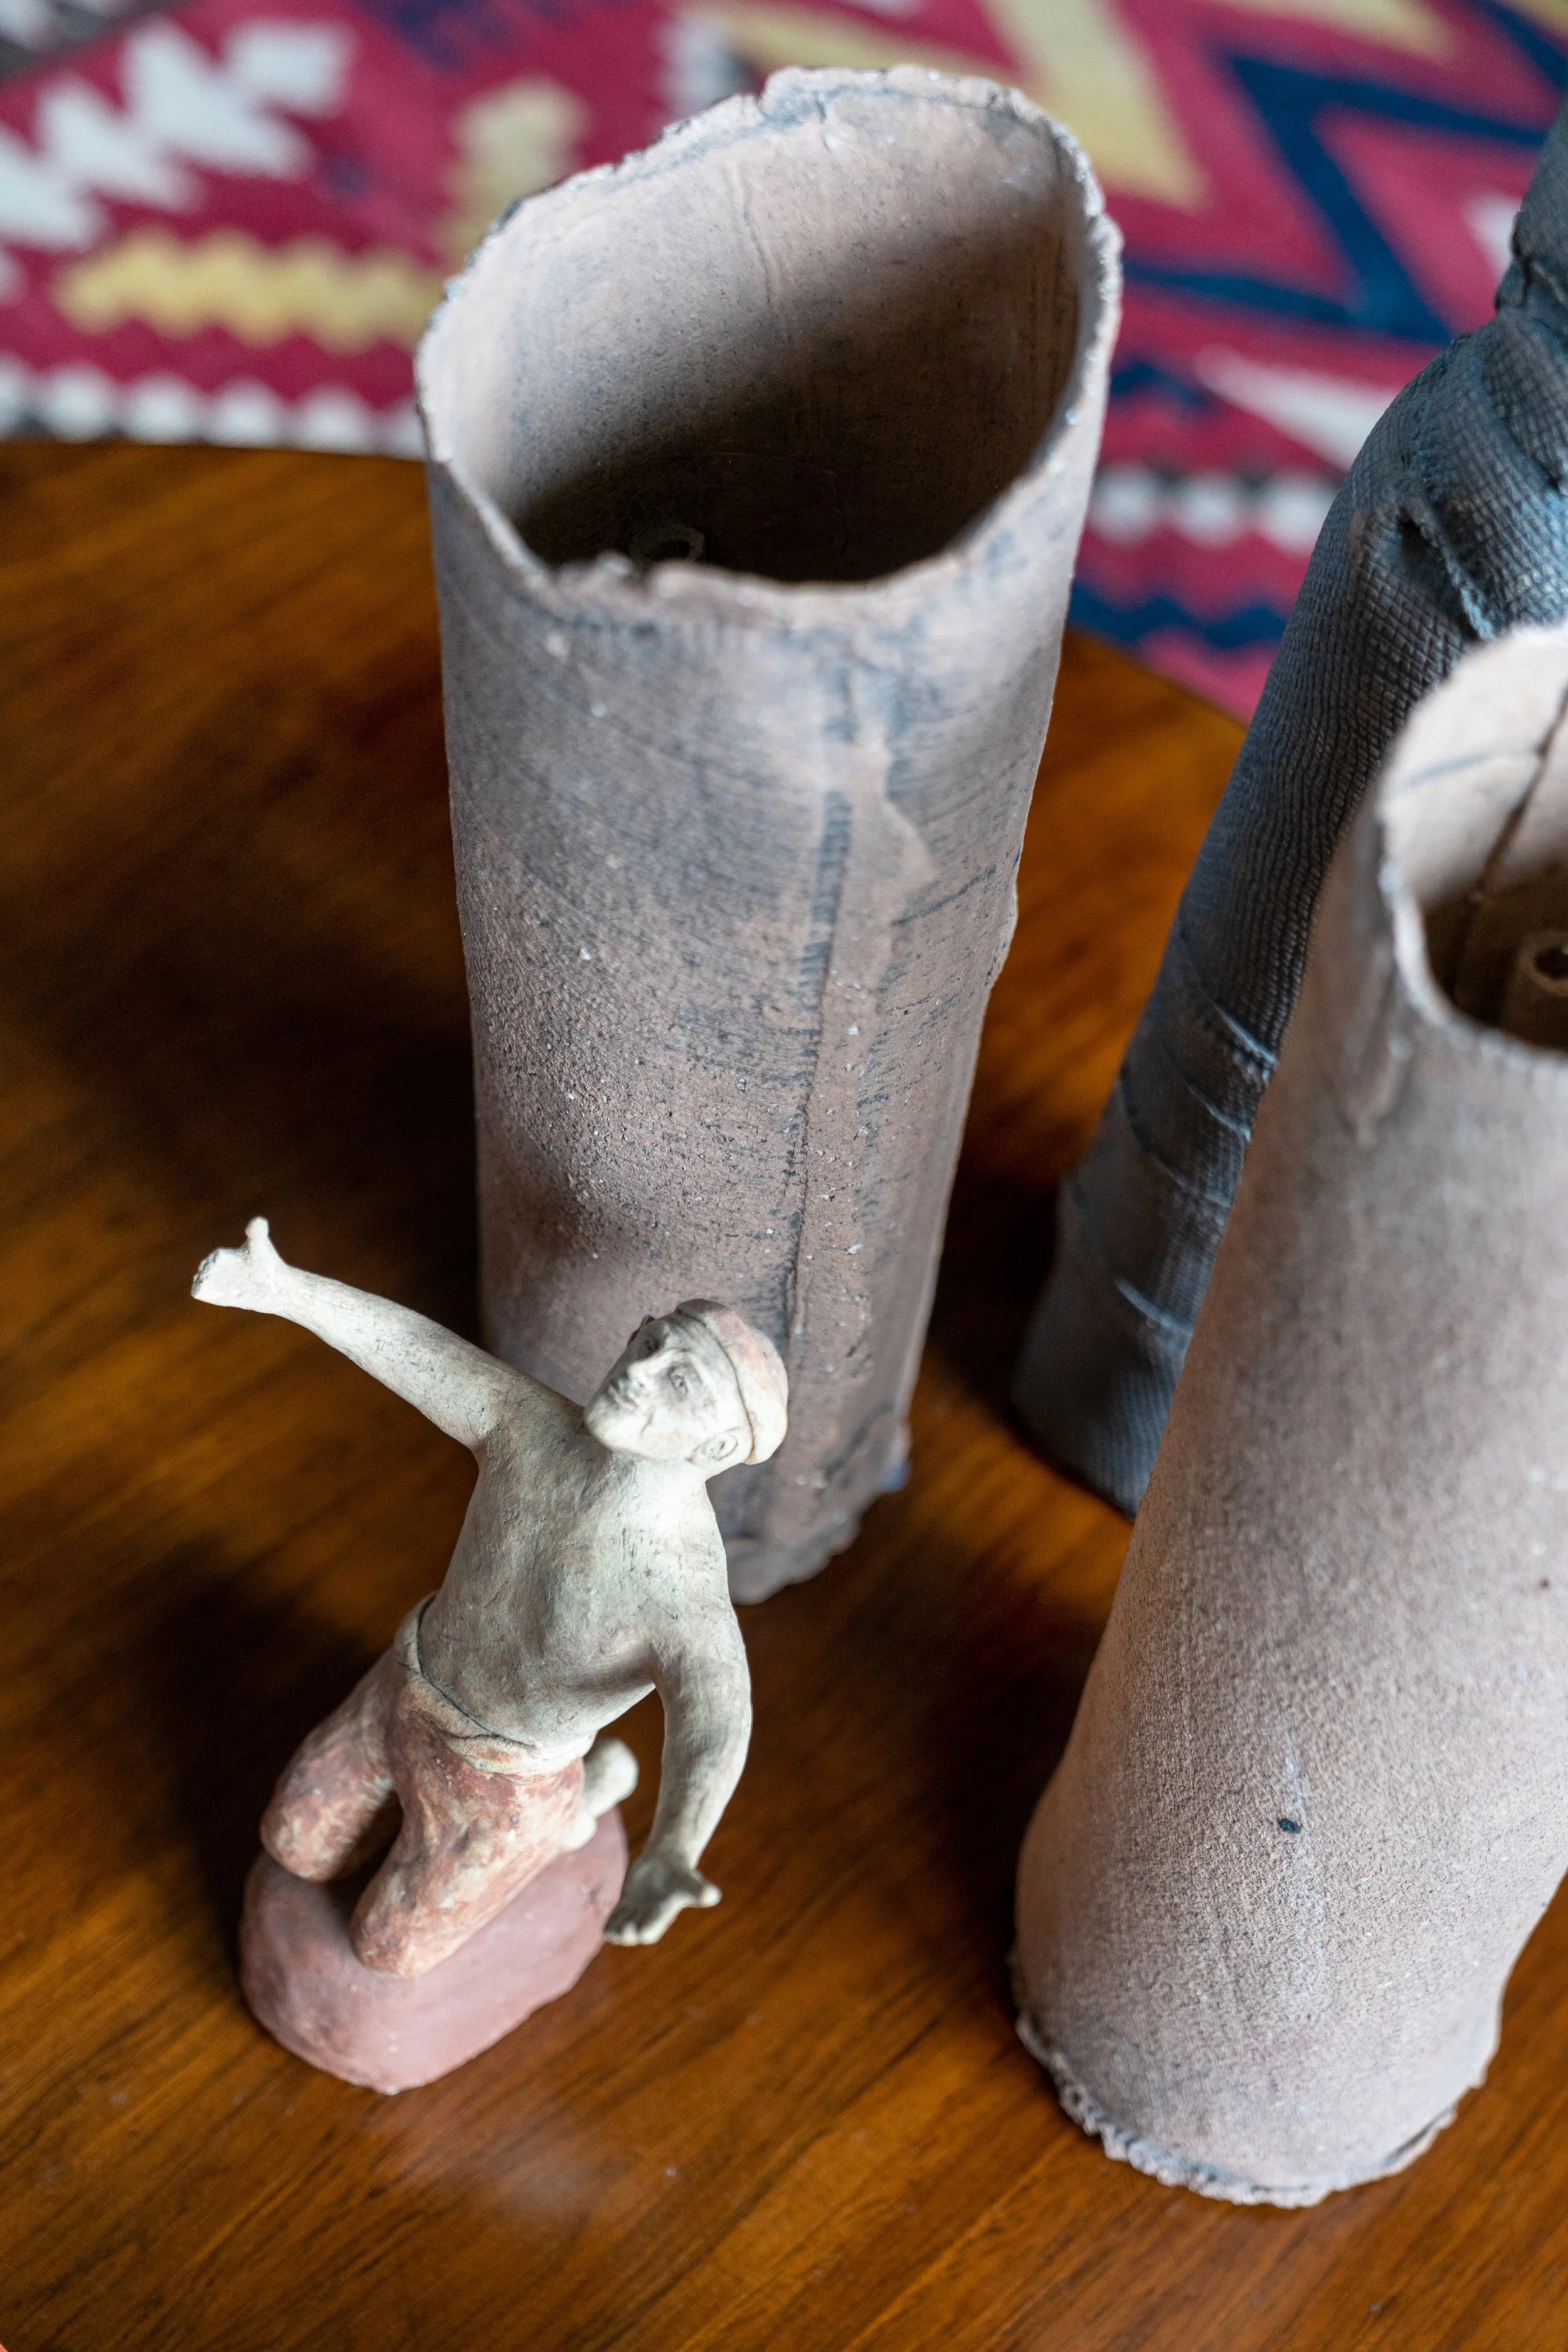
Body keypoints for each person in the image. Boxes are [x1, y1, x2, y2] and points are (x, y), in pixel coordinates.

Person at [193, 1217, 787, 1976]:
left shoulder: (680, 1589)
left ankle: (570, 1819)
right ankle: (568, 1803)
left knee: (387, 1952)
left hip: (502, 1787)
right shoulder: (531, 1427)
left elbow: (717, 1717)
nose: (640, 1371)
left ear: (717, 1451)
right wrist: (284, 1291)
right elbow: (421, 1352)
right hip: (402, 1691)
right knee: (292, 1843)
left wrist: (674, 1846)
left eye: (680, 1382)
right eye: (650, 1344)